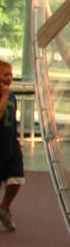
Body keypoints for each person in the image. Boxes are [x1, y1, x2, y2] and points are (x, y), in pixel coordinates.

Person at [0, 60, 24, 231]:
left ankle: (4, 207)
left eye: (10, 74)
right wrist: (3, 96)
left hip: (10, 145)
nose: (9, 78)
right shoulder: (6, 96)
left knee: (16, 179)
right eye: (4, 75)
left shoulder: (12, 96)